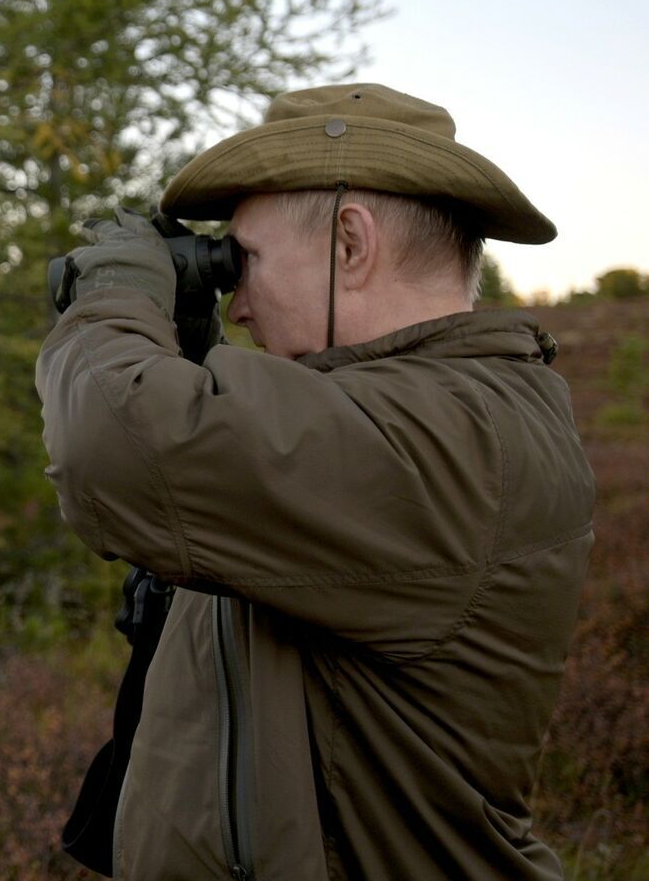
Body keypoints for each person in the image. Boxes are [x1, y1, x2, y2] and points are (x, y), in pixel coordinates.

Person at [35, 83, 596, 880]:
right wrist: (188, 358)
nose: (240, 306)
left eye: (245, 260)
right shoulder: (416, 414)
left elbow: (116, 446)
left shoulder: (456, 436)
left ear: (350, 243)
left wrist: (116, 299)